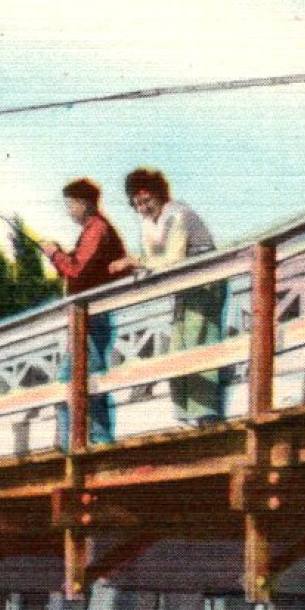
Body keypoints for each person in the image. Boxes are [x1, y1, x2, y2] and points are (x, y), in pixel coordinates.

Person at [125, 168, 225, 427]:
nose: (143, 208)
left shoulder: (178, 214)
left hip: (204, 280)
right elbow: (152, 260)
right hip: (183, 286)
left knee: (199, 340)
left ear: (160, 195)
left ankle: (205, 413)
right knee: (178, 345)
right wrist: (141, 264)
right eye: (137, 204)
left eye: (147, 201)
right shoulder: (148, 224)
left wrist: (138, 262)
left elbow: (174, 258)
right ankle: (184, 414)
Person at [42, 179, 132, 448]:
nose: (68, 210)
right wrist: (60, 256)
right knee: (75, 379)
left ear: (84, 203)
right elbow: (82, 265)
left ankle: (94, 440)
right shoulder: (93, 231)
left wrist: (56, 254)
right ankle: (79, 441)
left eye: (70, 204)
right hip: (87, 317)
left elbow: (78, 270)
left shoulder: (97, 229)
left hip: (93, 317)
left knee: (83, 378)